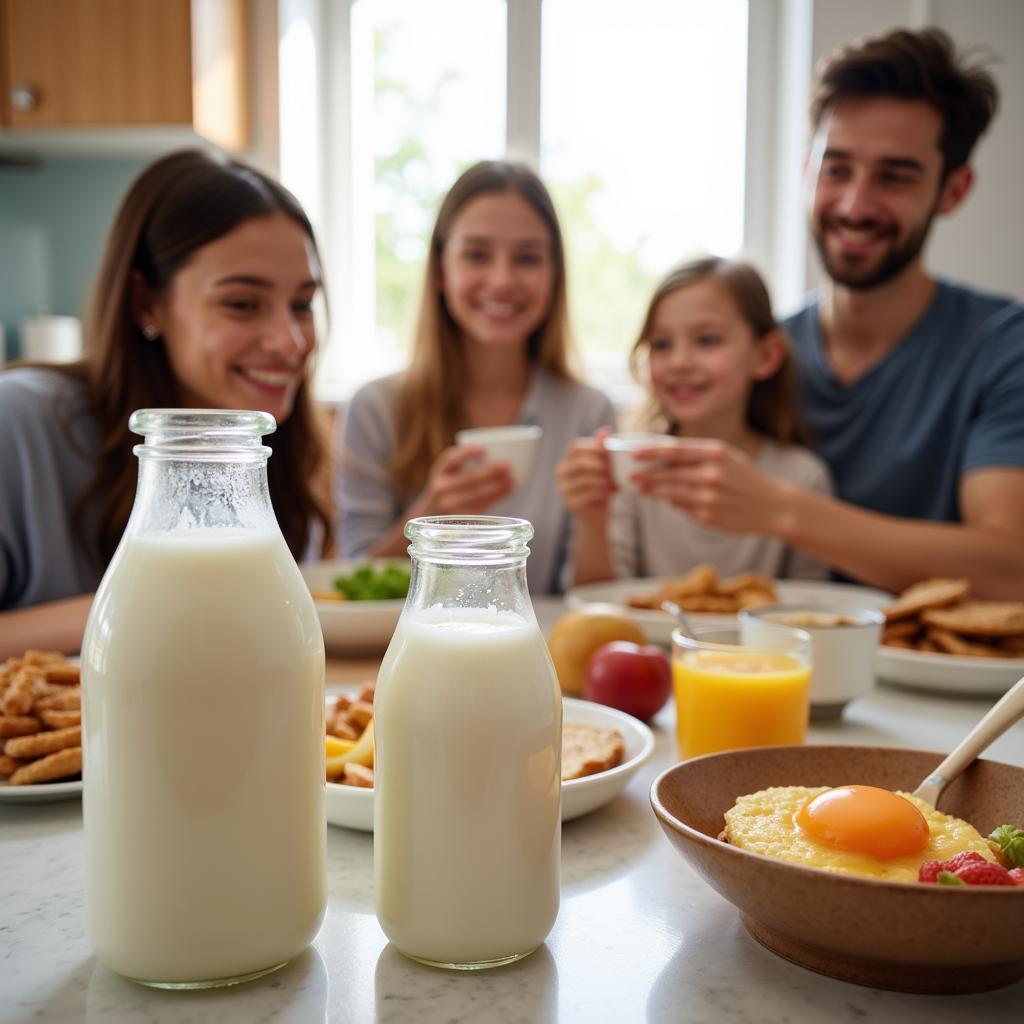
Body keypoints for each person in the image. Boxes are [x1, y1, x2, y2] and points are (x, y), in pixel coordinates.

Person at [629, 27, 1024, 597]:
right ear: (806, 170)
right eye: (836, 168)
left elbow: (1011, 567)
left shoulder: (1001, 349)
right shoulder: (752, 356)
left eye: (894, 177)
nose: (855, 205)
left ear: (952, 191)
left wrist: (783, 510)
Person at [0, 148, 333, 659]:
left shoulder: (274, 446)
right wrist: (141, 603)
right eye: (242, 304)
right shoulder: (22, 423)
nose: (290, 342)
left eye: (302, 304)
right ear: (146, 303)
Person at [337, 160, 616, 594]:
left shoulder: (587, 412)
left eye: (527, 258)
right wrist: (433, 512)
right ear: (440, 272)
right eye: (477, 255)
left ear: (554, 275)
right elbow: (352, 588)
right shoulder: (376, 408)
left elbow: (586, 602)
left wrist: (595, 520)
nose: (502, 280)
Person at [557, 257, 832, 586]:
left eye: (706, 340)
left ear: (766, 356)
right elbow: (597, 606)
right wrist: (592, 521)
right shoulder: (629, 473)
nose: (679, 362)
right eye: (661, 344)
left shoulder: (801, 478)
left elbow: (812, 609)